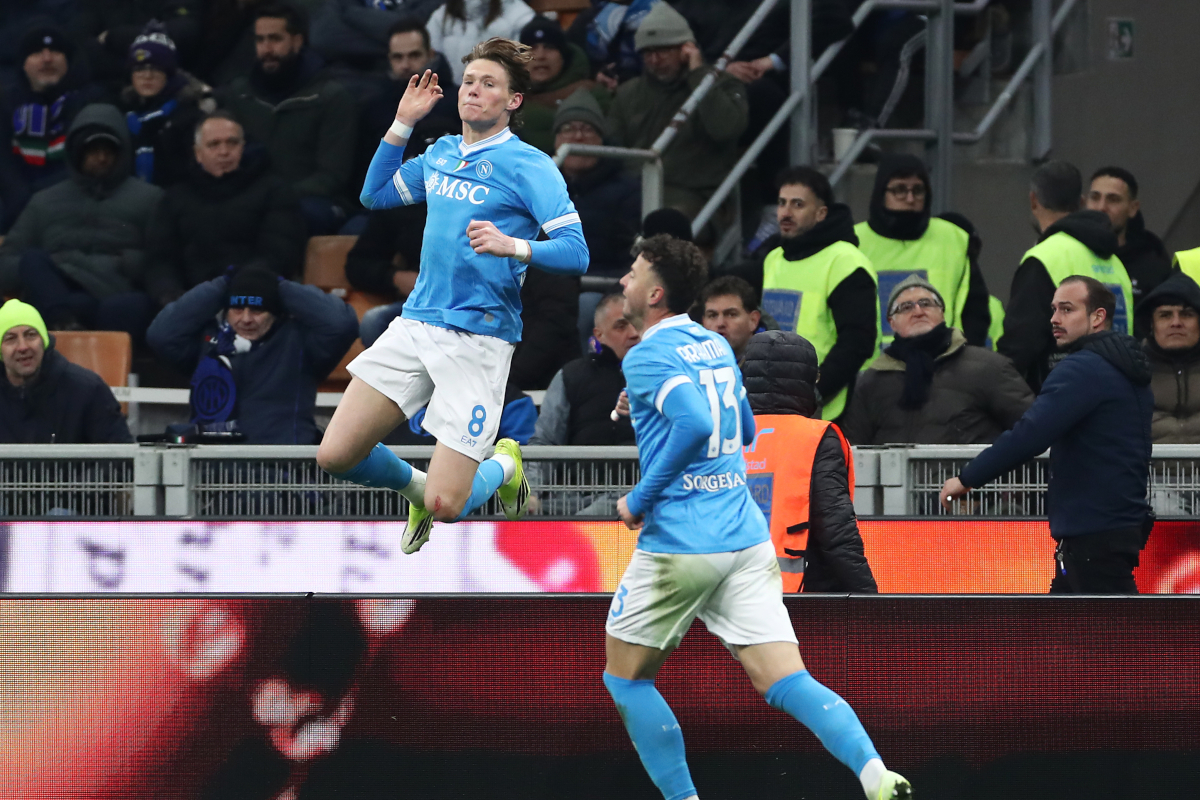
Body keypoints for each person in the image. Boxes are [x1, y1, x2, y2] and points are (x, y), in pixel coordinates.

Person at [606, 233, 910, 800]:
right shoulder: (717, 345)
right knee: (786, 679)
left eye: (633, 271)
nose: (624, 280)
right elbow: (741, 428)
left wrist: (639, 498)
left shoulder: (647, 353)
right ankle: (875, 773)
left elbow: (695, 423)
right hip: (746, 540)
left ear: (656, 293)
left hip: (682, 543)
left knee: (625, 678)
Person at [316, 39, 589, 554]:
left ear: (513, 101)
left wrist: (514, 246)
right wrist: (402, 123)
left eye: (489, 84)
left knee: (450, 507)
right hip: (417, 325)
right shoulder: (440, 153)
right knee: (335, 454)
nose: (474, 91)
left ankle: (506, 463)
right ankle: (416, 488)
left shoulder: (531, 166)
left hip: (479, 340)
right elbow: (373, 195)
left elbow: (577, 253)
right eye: (469, 82)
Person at [942, 276, 1154, 594]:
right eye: (1053, 309)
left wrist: (967, 478)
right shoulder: (1125, 368)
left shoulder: (1083, 370)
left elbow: (1030, 433)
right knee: (1064, 636)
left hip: (1092, 532)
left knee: (1113, 639)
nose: (1054, 319)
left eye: (1067, 309)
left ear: (1098, 317)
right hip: (1113, 527)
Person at [0, 103, 163, 341]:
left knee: (127, 306)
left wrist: (125, 262)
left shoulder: (150, 199)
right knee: (33, 261)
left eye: (110, 150)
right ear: (77, 152)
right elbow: (6, 264)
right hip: (58, 293)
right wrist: (55, 265)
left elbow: (162, 260)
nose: (102, 158)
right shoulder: (44, 201)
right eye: (93, 150)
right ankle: (64, 323)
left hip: (115, 290)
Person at [146, 267, 359, 445]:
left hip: (280, 473)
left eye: (257, 310)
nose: (246, 319)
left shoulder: (299, 342)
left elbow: (341, 324)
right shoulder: (207, 341)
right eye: (237, 309)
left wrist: (279, 286)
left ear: (276, 314)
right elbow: (161, 335)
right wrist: (222, 285)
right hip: (211, 472)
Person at [741, 329, 878, 593]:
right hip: (800, 594)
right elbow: (837, 533)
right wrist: (872, 602)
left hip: (725, 592)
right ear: (807, 380)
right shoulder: (815, 437)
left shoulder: (723, 434)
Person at [216, 2, 358, 235]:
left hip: (314, 201)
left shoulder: (330, 97)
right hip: (252, 196)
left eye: (275, 39)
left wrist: (275, 196)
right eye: (260, 40)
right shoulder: (240, 93)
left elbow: (332, 176)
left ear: (297, 40)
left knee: (288, 217)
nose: (266, 48)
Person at [841, 274, 1033, 445]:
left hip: (969, 484)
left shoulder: (989, 368)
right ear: (892, 323)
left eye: (926, 303)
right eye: (906, 307)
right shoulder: (871, 383)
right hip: (897, 486)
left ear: (942, 313)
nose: (918, 311)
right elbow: (853, 454)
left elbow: (1033, 429)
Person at [143, 112, 306, 307]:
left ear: (243, 147)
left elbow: (278, 253)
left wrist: (235, 289)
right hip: (188, 300)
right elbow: (160, 259)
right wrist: (168, 294)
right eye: (214, 144)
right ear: (198, 153)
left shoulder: (274, 191)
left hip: (252, 296)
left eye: (232, 143)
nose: (224, 152)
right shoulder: (175, 197)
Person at [998, 160, 1135, 392]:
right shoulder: (1114, 262)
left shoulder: (1044, 257)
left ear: (1033, 200)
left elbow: (1020, 344)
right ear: (1081, 202)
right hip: (1116, 392)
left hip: (1065, 397)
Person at [606, 2, 748, 219]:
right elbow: (611, 148)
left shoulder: (722, 85)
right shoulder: (629, 93)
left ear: (687, 48)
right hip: (636, 190)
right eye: (648, 53)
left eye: (663, 50)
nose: (655, 60)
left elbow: (726, 129)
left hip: (697, 194)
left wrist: (699, 74)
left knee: (665, 224)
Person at [758, 166, 878, 421]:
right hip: (775, 404)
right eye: (782, 203)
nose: (786, 213)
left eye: (798, 205)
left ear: (821, 213)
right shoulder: (774, 258)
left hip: (827, 407)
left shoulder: (845, 261)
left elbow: (857, 342)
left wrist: (813, 392)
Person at [854, 154, 990, 348]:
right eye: (900, 190)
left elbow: (975, 310)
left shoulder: (953, 238)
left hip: (944, 365)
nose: (910, 198)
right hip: (872, 370)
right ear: (881, 193)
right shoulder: (854, 242)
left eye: (918, 190)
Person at [0, 24, 105, 231]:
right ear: (23, 64)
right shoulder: (5, 102)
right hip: (14, 206)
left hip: (72, 208)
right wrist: (20, 198)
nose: (47, 58)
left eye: (55, 51)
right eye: (37, 52)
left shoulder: (92, 100)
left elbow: (84, 163)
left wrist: (38, 198)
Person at [0, 298, 133, 444]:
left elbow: (121, 459)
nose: (23, 347)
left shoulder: (88, 389)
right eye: (11, 339)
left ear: (44, 341)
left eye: (31, 335)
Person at [531, 291, 638, 447]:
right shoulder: (571, 376)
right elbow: (543, 442)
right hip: (583, 471)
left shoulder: (663, 373)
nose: (634, 333)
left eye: (636, 324)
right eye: (621, 326)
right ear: (599, 335)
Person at [553, 89, 640, 278]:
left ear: (601, 140)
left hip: (599, 286)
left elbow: (628, 259)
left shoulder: (627, 191)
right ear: (556, 140)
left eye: (587, 129)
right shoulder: (538, 186)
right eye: (567, 129)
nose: (578, 137)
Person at [118, 21, 214, 189]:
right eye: (139, 69)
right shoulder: (123, 113)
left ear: (169, 73)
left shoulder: (190, 116)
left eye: (156, 68)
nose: (147, 76)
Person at [516, 16, 608, 155]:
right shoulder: (505, 101)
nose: (540, 56)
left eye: (550, 48)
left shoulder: (593, 94)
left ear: (564, 57)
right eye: (532, 48)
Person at [1085, 166, 1172, 309]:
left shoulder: (1153, 264)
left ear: (1133, 208)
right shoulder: (1067, 253)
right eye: (1095, 197)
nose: (1101, 207)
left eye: (1113, 199)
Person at [1136, 271, 1200, 443]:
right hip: (1148, 470)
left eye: (1187, 314)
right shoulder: (1132, 369)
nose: (1176, 322)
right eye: (1165, 315)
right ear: (1151, 323)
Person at [309, 0, 448, 71]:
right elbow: (323, 37)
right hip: (352, 78)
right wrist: (399, 45)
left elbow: (416, 24)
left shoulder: (346, 9)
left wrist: (351, 13)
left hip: (417, 79)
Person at [426, 0, 536, 85]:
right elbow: (430, 57)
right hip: (448, 97)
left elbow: (522, 64)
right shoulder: (442, 15)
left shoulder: (519, 15)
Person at [698, 275, 762, 363]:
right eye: (712, 315)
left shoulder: (770, 366)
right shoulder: (691, 365)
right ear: (703, 322)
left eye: (731, 315)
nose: (720, 323)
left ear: (753, 320)